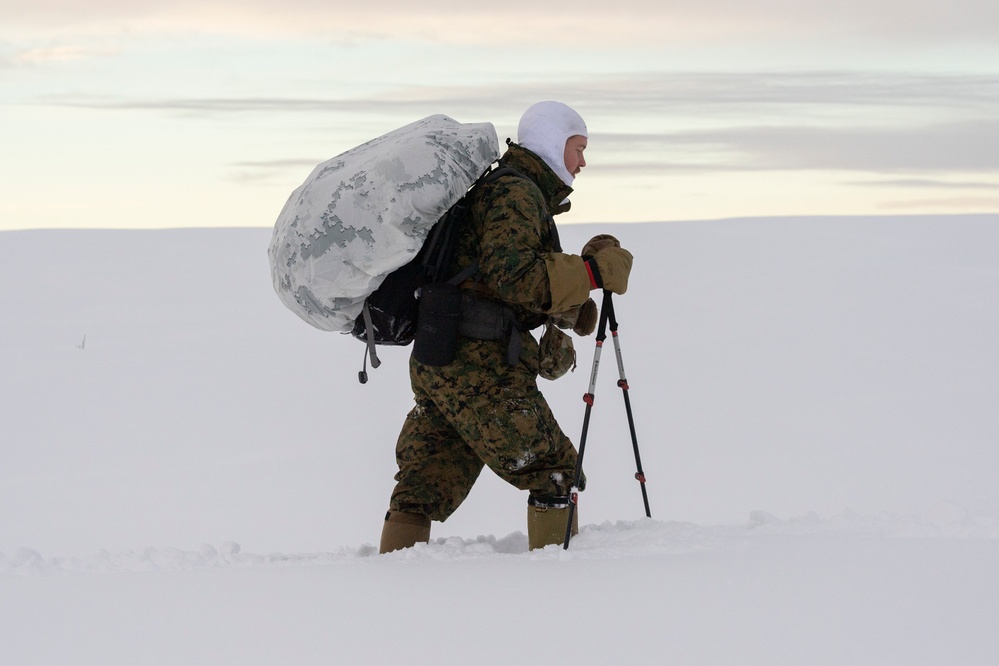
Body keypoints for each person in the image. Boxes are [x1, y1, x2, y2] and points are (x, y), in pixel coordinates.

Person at [379, 101, 634, 553]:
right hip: (481, 368)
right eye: (578, 148)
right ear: (553, 144)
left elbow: (490, 279)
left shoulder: (507, 189)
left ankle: (394, 590)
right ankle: (558, 587)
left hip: (442, 358)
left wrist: (575, 303)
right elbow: (512, 276)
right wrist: (591, 273)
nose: (582, 162)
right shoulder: (514, 194)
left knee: (427, 479)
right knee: (554, 469)